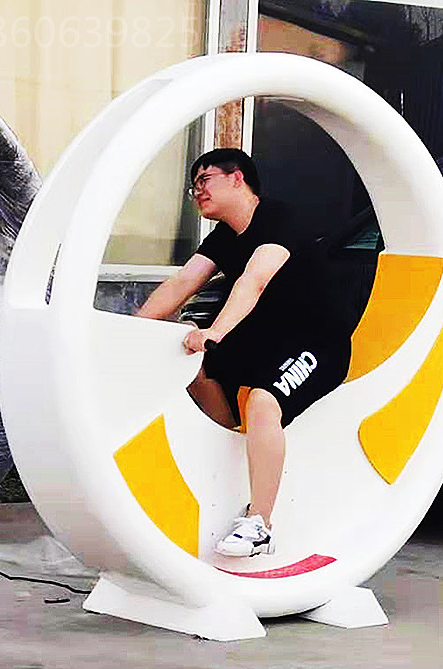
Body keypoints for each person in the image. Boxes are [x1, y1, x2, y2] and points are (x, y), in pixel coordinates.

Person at [137, 148, 351, 557]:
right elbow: (183, 282)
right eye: (193, 186)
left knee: (263, 402)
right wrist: (135, 327)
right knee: (193, 368)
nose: (198, 192)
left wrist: (214, 332)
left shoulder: (279, 219)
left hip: (316, 342)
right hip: (261, 341)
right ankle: (229, 457)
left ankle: (261, 525)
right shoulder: (223, 236)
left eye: (205, 180)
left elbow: (254, 280)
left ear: (237, 178)